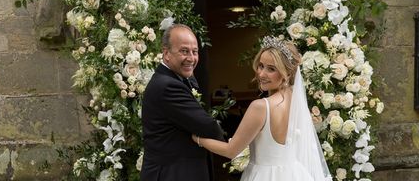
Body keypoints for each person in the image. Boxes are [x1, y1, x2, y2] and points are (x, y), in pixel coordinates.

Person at [192, 36, 332, 181]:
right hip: (295, 174)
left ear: (287, 73)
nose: (261, 74)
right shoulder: (295, 98)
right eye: (260, 65)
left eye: (271, 69)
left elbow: (231, 150)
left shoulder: (260, 107)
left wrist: (197, 139)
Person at [141, 23, 224, 181]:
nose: (191, 58)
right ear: (166, 54)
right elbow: (209, 128)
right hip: (173, 174)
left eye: (195, 52)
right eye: (184, 51)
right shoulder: (168, 86)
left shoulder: (177, 78)